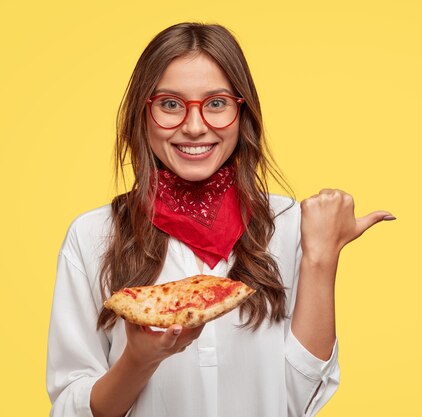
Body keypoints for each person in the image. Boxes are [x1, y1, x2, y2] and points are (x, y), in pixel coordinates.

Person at [46, 22, 394, 417]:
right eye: (171, 104)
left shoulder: (289, 224)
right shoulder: (93, 236)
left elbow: (297, 403)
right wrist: (137, 361)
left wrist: (321, 257)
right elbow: (70, 409)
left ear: (242, 112)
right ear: (143, 113)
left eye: (216, 103)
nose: (195, 127)